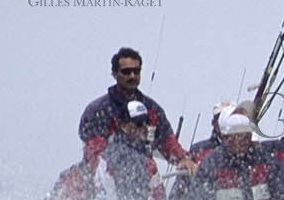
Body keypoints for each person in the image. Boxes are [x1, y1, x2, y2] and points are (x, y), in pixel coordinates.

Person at [77, 47, 197, 177]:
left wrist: (183, 159)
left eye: (136, 71)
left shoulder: (152, 110)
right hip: (106, 176)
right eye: (126, 72)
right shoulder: (99, 111)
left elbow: (168, 142)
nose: (132, 76)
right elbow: (94, 153)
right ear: (114, 74)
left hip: (146, 175)